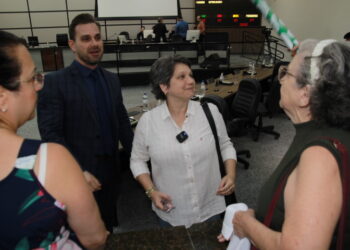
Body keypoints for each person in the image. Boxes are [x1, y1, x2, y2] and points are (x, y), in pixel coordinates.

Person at [218, 39, 350, 249]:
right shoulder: (322, 133)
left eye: (286, 73)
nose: (281, 81)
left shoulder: (319, 155)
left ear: (304, 94)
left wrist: (248, 225)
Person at [0, 31, 108, 249]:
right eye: (32, 79)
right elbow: (94, 238)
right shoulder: (47, 160)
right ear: (2, 98)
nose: (38, 86)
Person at [37, 13, 134, 232]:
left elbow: (121, 123)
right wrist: (77, 171)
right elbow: (51, 136)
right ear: (72, 44)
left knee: (107, 228)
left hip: (111, 172)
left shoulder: (111, 79)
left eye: (97, 37)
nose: (94, 44)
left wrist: (137, 157)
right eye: (86, 39)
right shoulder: (54, 83)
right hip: (78, 176)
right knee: (80, 235)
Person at [130, 55, 237, 228]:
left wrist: (231, 175)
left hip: (211, 206)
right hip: (172, 212)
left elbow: (226, 145)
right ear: (164, 86)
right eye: (181, 77)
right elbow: (137, 160)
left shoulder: (210, 112)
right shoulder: (148, 122)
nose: (190, 81)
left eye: (191, 75)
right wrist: (151, 192)